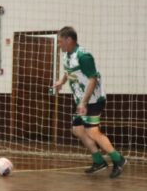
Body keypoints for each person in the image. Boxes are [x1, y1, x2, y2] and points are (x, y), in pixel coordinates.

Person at [53, 26, 127, 178]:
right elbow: (69, 71)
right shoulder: (67, 55)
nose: (59, 45)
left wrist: (84, 102)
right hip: (81, 100)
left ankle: (118, 159)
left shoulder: (84, 56)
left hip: (93, 100)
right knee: (78, 130)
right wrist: (61, 81)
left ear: (69, 40)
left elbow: (93, 79)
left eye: (60, 42)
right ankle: (99, 161)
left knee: (92, 131)